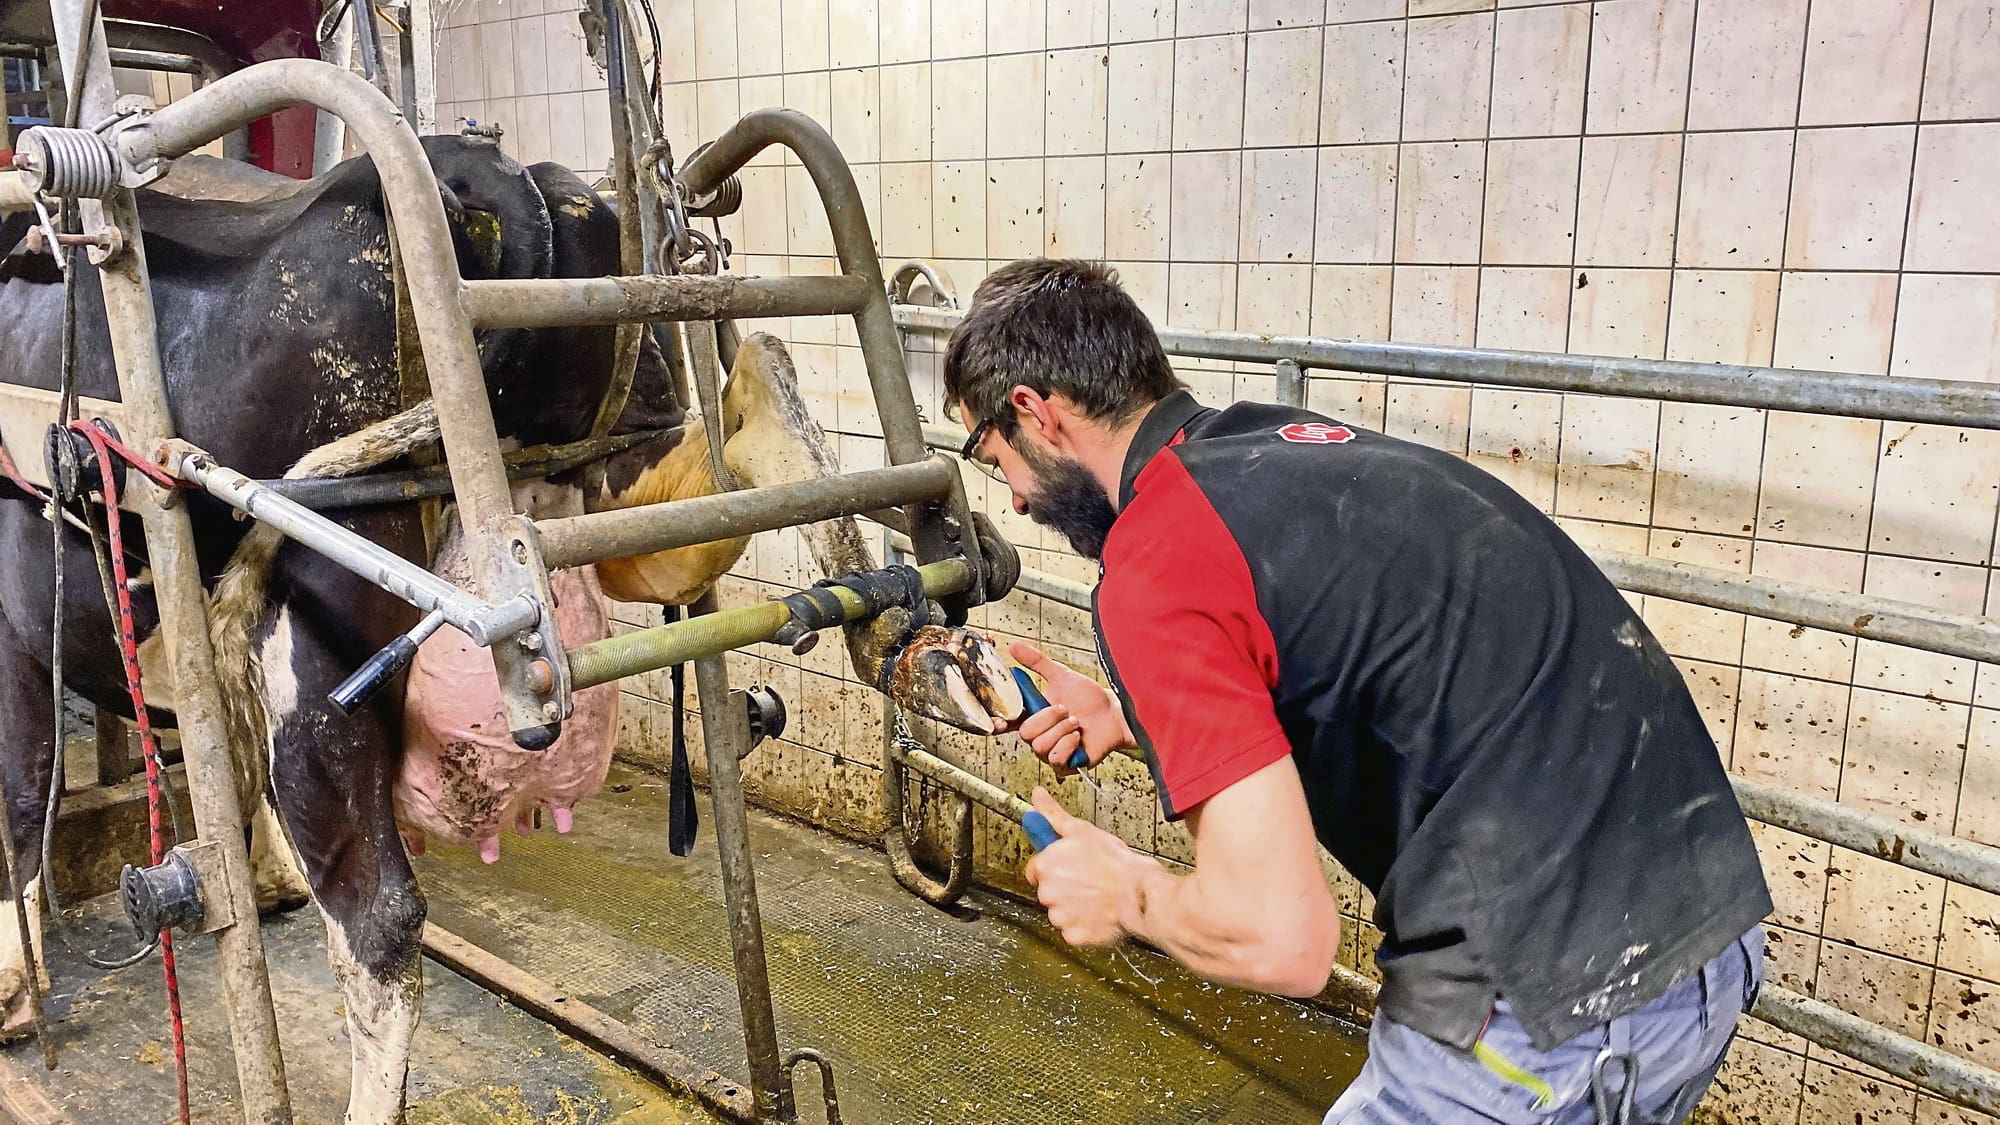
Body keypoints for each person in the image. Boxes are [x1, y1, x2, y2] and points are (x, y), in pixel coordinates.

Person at [944, 258, 1772, 1124]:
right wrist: (1127, 711)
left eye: (996, 454)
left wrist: (1128, 891)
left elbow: (1282, 940)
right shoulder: (1281, 450)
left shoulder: (1153, 561)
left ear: (1037, 411)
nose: (1017, 498)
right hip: (1708, 929)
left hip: (1553, 995)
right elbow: (1353, 644)